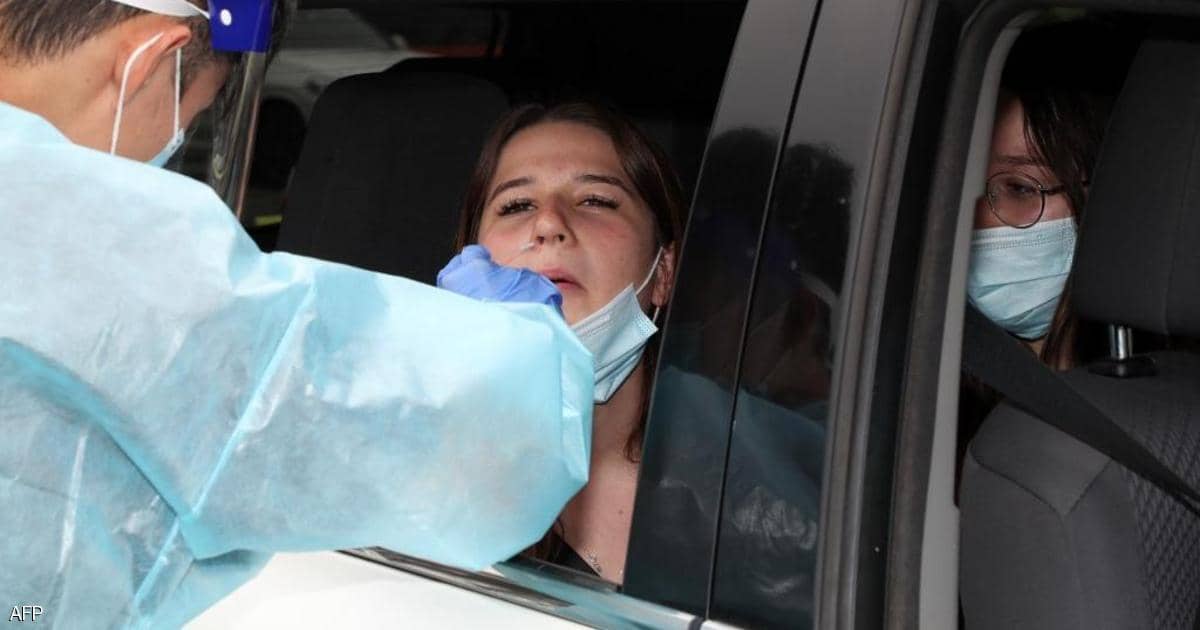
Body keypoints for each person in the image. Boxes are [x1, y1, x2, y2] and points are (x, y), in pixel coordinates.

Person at [0, 1, 593, 627]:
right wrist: (521, 353)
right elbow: (310, 404)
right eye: (192, 117)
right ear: (151, 60)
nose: (171, 147)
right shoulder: (88, 232)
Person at [440, 102, 684, 583]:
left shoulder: (758, 471)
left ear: (664, 272)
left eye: (595, 200)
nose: (548, 224)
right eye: (517, 205)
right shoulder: (407, 467)